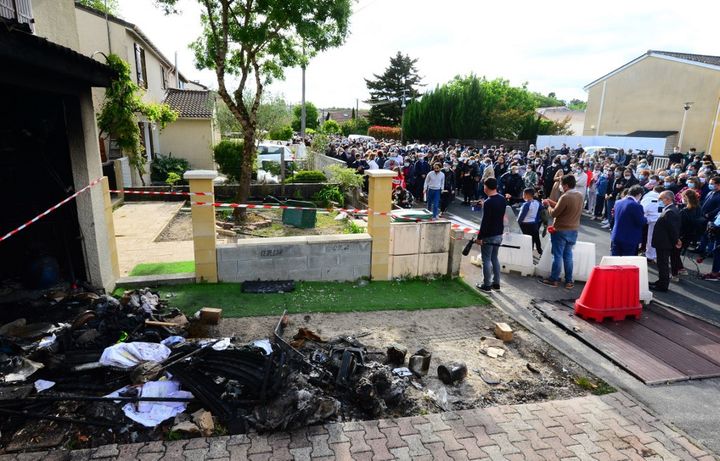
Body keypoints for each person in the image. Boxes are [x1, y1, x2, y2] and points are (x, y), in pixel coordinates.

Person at [540, 175, 584, 289]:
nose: (560, 186)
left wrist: (548, 204)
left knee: (557, 255)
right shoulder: (579, 195)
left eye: (561, 184)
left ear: (565, 185)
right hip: (573, 229)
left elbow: (554, 213)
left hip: (561, 230)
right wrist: (553, 202)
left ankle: (554, 279)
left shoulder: (565, 196)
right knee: (568, 256)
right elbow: (566, 208)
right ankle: (569, 281)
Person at [473, 178, 507, 292]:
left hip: (489, 235)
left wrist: (479, 237)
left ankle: (487, 284)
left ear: (486, 187)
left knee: (486, 259)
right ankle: (496, 283)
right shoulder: (502, 199)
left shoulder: (488, 202)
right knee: (494, 258)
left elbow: (485, 222)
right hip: (499, 233)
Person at [650, 191, 681, 292]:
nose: (659, 201)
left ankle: (663, 286)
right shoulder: (669, 209)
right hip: (663, 242)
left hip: (664, 243)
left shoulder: (670, 212)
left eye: (661, 199)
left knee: (663, 264)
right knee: (661, 264)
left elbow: (673, 229)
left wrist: (676, 240)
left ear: (668, 199)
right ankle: (661, 282)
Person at [610, 185, 647, 256]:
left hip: (616, 235)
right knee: (626, 262)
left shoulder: (618, 202)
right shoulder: (637, 206)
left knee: (614, 260)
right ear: (639, 194)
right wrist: (645, 218)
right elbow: (641, 222)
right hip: (629, 238)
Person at [640, 185, 663, 263]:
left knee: (650, 239)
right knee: (658, 239)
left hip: (651, 221)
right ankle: (655, 255)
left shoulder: (647, 198)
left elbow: (642, 210)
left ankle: (650, 256)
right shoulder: (662, 198)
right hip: (661, 220)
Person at [518, 188, 543, 255]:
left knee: (528, 239)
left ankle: (528, 252)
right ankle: (540, 251)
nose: (523, 196)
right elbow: (541, 209)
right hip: (534, 223)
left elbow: (521, 216)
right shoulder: (537, 202)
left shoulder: (526, 204)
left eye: (523, 194)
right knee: (536, 238)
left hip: (525, 224)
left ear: (526, 195)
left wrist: (517, 224)